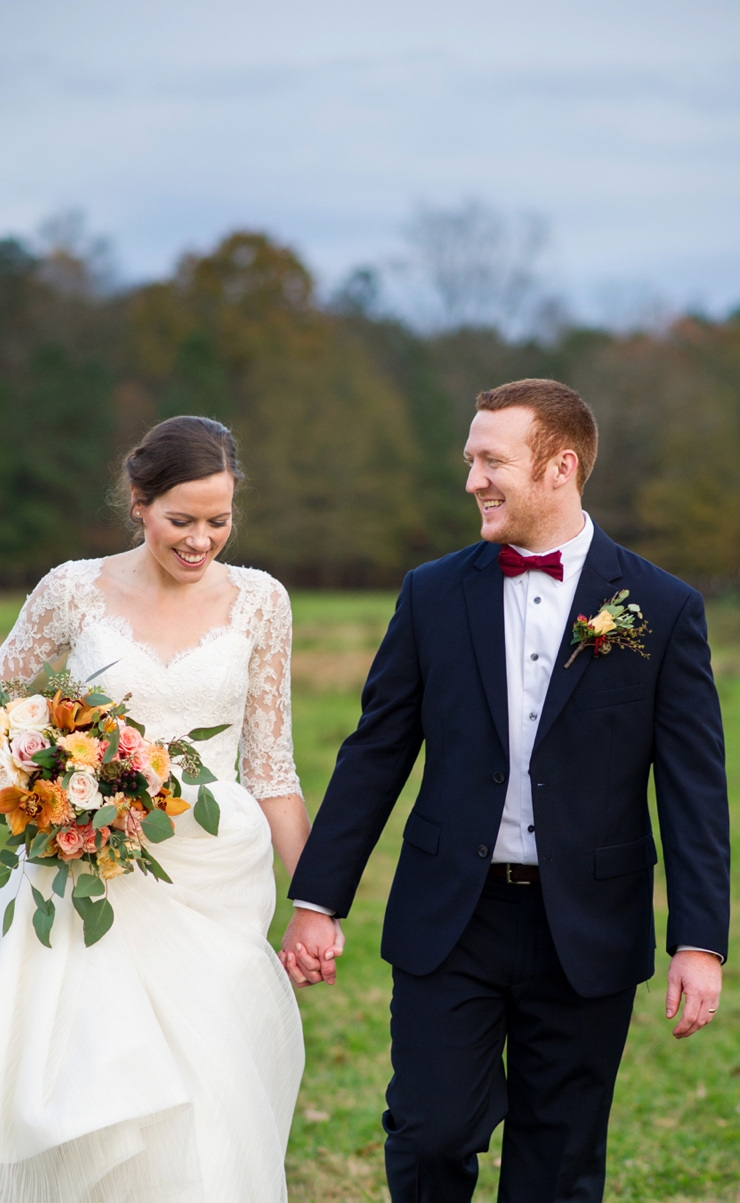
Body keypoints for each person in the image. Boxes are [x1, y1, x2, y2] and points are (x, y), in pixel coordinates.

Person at [282, 379, 730, 1203]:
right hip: (453, 917)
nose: (472, 480)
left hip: (588, 925)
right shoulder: (430, 592)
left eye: (491, 461)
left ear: (561, 467)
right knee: (429, 1133)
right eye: (468, 459)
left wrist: (698, 940)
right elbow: (377, 750)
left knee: (558, 1162)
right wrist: (318, 897)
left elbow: (696, 790)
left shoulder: (663, 609)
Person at [0, 415, 318, 1203]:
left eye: (219, 521)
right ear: (138, 501)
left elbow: (272, 763)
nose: (200, 540)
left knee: (205, 1083)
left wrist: (314, 900)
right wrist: (26, 757)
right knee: (93, 1078)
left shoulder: (261, 602)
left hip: (213, 877)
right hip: (87, 869)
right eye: (181, 520)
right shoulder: (73, 588)